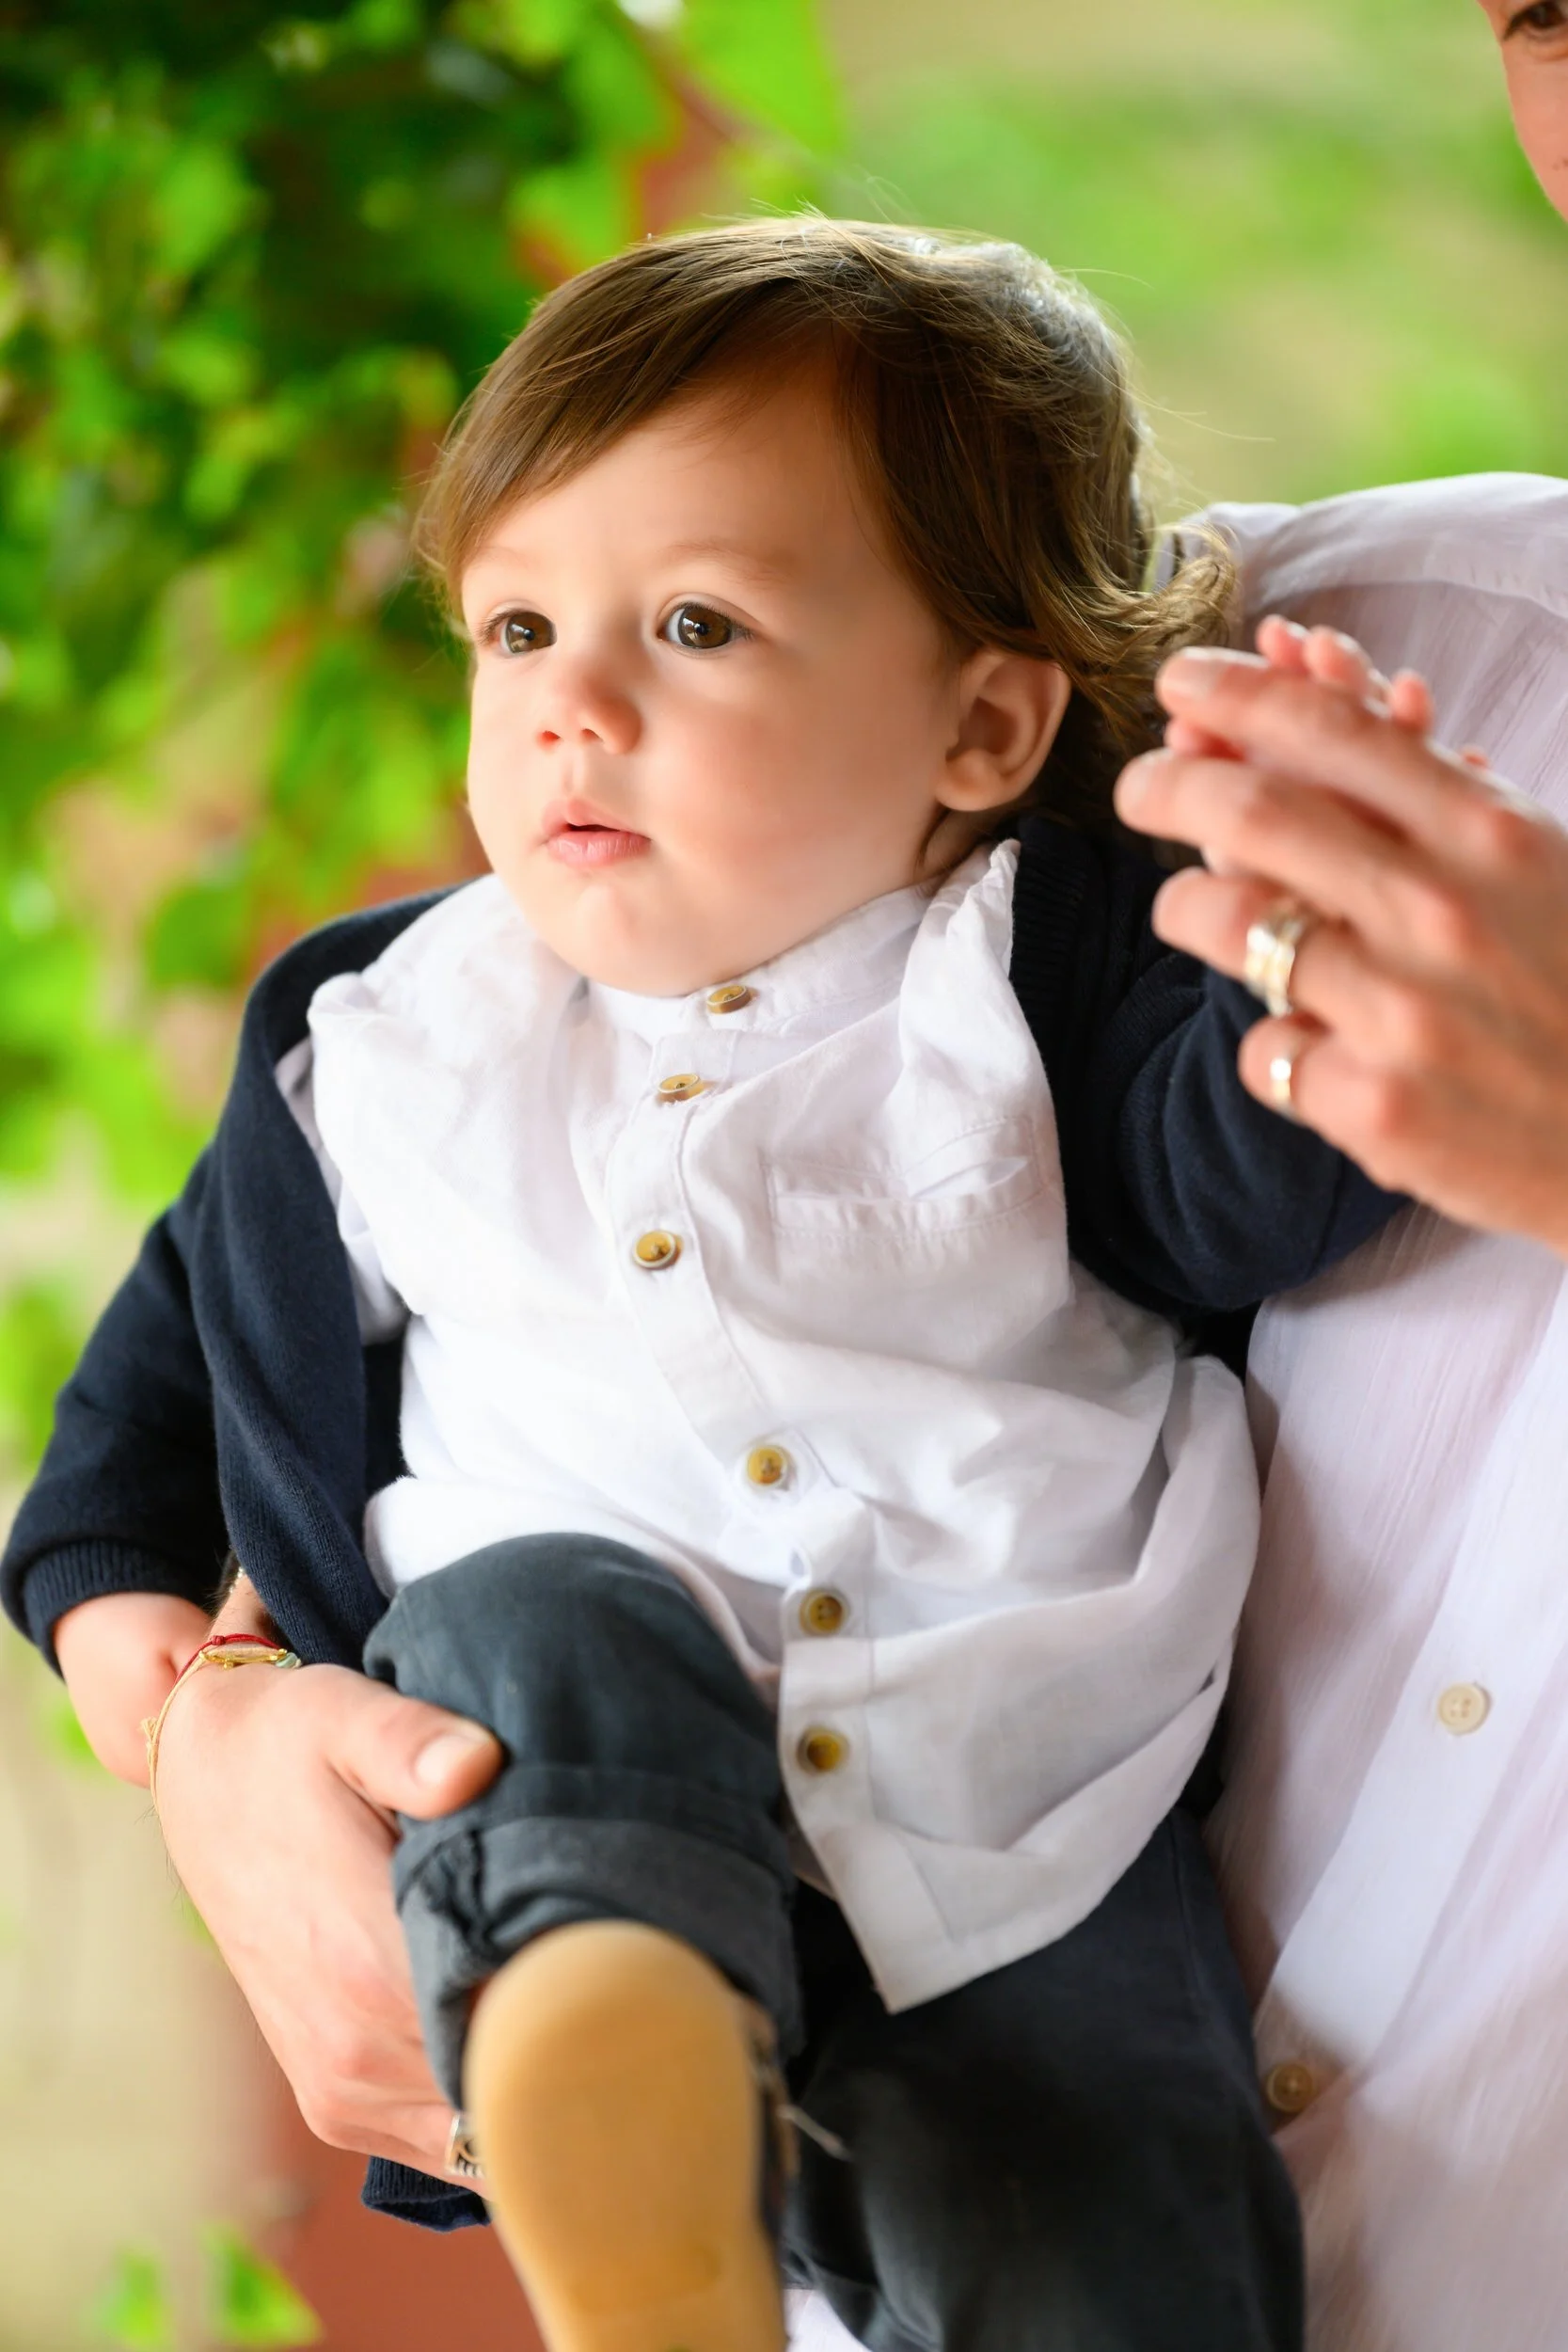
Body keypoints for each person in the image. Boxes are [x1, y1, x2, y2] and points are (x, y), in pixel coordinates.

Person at [2, 220, 1403, 2352]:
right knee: (544, 1617)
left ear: (980, 723)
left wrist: (1308, 918)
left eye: (691, 622)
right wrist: (165, 1699)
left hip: (1019, 1807)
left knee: (1115, 2218)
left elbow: (1245, 1202)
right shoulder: (380, 1049)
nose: (571, 700)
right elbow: (135, 1436)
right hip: (564, 1768)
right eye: (516, 625)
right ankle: (612, 2085)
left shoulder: (1020, 982)